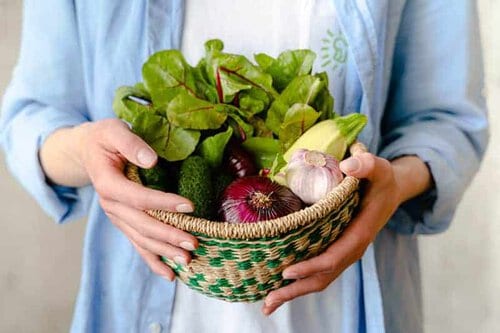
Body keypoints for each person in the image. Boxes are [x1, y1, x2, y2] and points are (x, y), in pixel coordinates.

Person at [0, 0, 488, 332]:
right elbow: (33, 119)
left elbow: (446, 121)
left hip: (339, 306)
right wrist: (86, 148)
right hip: (146, 297)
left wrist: (394, 183)